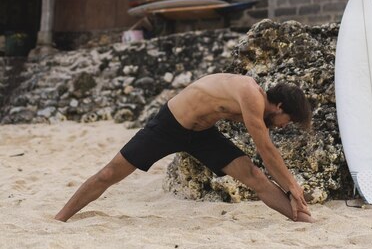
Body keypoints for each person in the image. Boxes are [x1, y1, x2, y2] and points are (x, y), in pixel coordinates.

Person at [55, 73, 313, 223]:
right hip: (170, 125)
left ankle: (304, 221)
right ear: (279, 107)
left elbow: (267, 155)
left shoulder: (257, 108)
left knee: (255, 176)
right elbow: (266, 150)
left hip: (202, 135)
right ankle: (60, 218)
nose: (282, 127)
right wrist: (291, 183)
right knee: (109, 174)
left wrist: (291, 186)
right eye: (286, 121)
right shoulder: (250, 94)